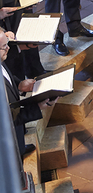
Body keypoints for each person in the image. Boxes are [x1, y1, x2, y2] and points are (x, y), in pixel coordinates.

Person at [1, 29, 52, 158]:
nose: (8, 48)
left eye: (7, 44)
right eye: (3, 46)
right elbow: (8, 118)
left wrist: (19, 85)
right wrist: (37, 108)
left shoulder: (2, 60)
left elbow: (7, 76)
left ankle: (21, 147)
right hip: (6, 142)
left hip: (15, 133)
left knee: (18, 142)